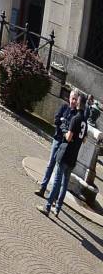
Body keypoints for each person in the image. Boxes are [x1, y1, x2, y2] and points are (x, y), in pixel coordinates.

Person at [38, 89, 87, 218]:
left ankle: (48, 207)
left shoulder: (76, 118)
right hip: (73, 156)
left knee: (58, 181)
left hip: (66, 153)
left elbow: (69, 137)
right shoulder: (85, 122)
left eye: (76, 99)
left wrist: (65, 128)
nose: (74, 101)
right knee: (64, 184)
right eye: (72, 98)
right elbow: (84, 139)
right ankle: (57, 208)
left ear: (78, 103)